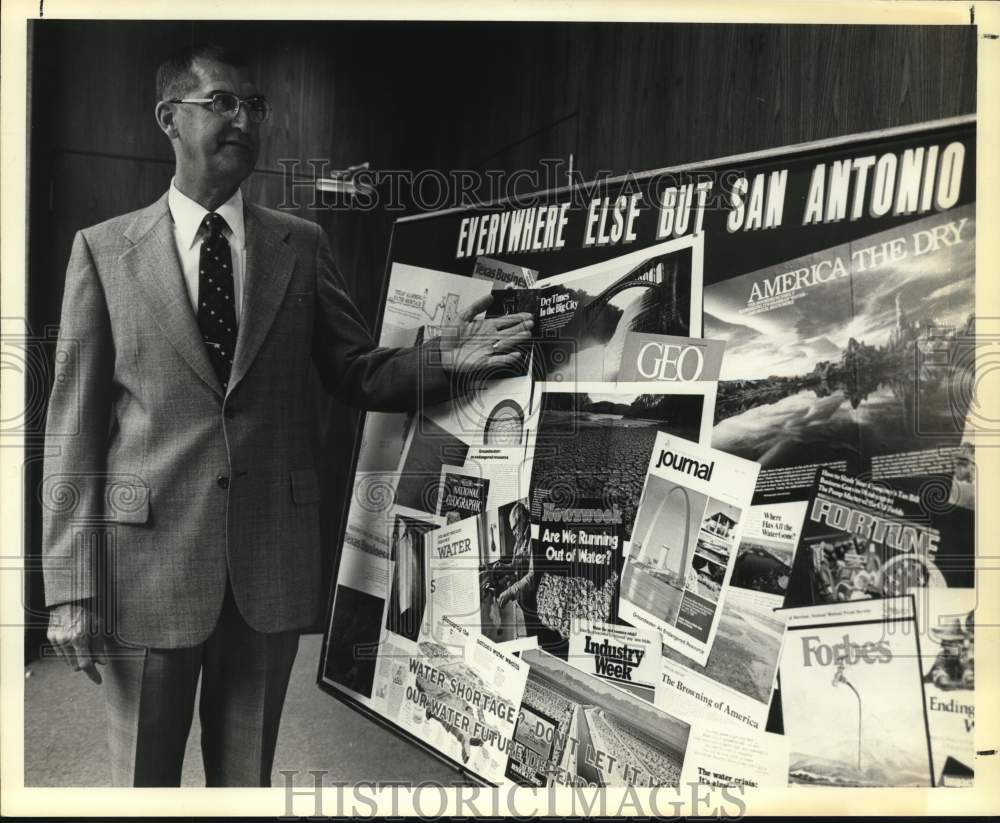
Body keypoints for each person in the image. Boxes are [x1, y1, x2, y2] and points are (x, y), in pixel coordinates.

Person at [40, 43, 532, 787]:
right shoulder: (104, 252)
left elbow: (356, 368)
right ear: (169, 118)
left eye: (255, 106)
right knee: (143, 785)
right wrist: (69, 585)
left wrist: (447, 358)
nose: (243, 119)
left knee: (246, 783)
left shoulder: (300, 246)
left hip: (267, 565)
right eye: (222, 104)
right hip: (146, 570)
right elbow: (72, 427)